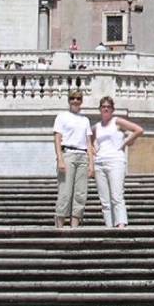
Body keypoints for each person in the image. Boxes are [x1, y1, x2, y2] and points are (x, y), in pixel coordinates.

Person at [91, 96, 143, 228]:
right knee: (104, 199)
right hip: (100, 162)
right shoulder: (97, 126)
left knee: (116, 195)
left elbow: (138, 130)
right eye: (103, 107)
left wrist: (125, 142)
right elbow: (88, 139)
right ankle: (109, 225)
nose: (106, 109)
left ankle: (121, 224)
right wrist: (93, 149)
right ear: (100, 109)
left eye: (108, 106)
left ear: (112, 109)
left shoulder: (117, 121)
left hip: (116, 161)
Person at [53, 89, 94, 229]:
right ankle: (59, 226)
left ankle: (74, 226)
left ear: (81, 101)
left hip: (82, 155)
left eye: (78, 98)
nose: (75, 101)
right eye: (73, 98)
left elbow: (88, 142)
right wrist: (60, 159)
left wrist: (91, 164)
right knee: (65, 192)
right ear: (69, 100)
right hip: (68, 154)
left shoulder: (85, 120)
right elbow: (57, 139)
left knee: (81, 193)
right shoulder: (62, 116)